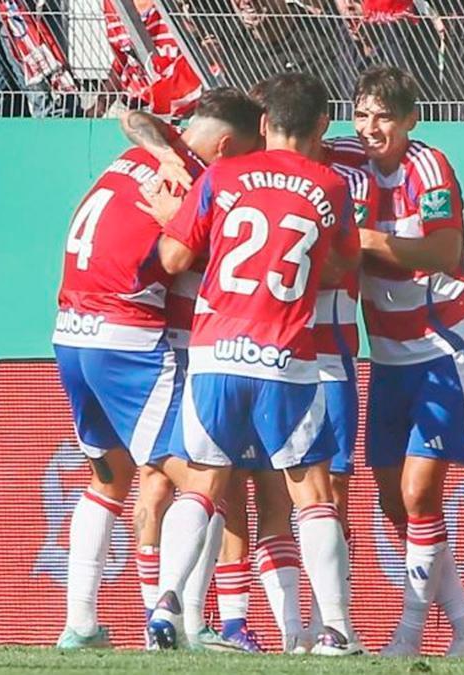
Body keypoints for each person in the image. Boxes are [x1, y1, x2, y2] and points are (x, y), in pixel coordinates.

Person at [148, 72, 365, 657]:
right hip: (286, 357)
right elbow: (343, 268)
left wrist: (176, 218)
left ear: (264, 124)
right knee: (312, 493)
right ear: (322, 126)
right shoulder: (331, 186)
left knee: (203, 481)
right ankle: (336, 630)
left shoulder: (221, 176)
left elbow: (173, 255)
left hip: (215, 353)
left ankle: (166, 598)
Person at [50, 88, 262, 650]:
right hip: (126, 332)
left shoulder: (160, 147)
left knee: (110, 477)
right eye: (244, 153)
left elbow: (132, 115)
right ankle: (181, 622)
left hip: (71, 329)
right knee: (204, 476)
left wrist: (161, 148)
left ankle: (81, 624)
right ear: (223, 145)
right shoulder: (195, 181)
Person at [326, 65, 464, 657]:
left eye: (385, 117)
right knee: (393, 499)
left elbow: (445, 251)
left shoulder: (429, 167)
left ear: (410, 120)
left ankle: (410, 632)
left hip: (443, 347)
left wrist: (364, 241)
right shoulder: (345, 155)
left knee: (423, 494)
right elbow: (286, 139)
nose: (372, 129)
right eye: (363, 114)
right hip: (388, 357)